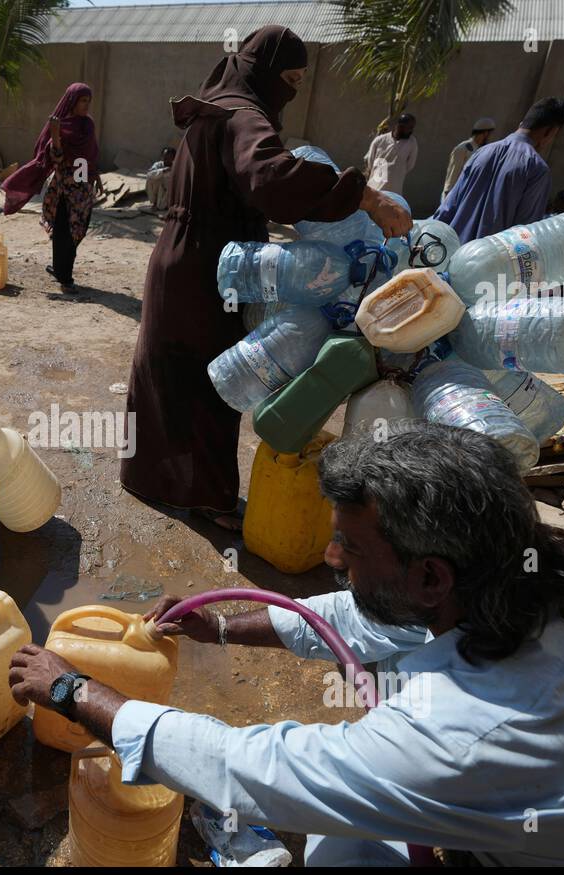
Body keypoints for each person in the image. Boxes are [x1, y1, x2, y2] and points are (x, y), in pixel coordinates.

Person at [11, 422, 564, 866]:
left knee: (340, 846)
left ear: (429, 576)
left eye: (349, 545)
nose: (330, 556)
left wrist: (76, 691)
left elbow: (249, 770)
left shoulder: (465, 736)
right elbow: (367, 618)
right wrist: (226, 624)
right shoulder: (545, 590)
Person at [118, 27, 410, 529]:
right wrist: (364, 197)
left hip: (179, 255)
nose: (292, 92)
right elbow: (272, 179)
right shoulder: (244, 116)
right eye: (289, 80)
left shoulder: (215, 108)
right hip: (213, 264)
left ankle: (150, 477)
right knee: (216, 378)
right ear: (262, 72)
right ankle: (208, 498)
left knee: (167, 369)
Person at [1, 82, 100, 293]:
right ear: (72, 101)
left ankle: (60, 269)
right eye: (83, 101)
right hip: (65, 188)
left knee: (77, 230)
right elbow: (55, 157)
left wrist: (96, 175)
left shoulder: (88, 125)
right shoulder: (61, 125)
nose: (86, 105)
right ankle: (64, 275)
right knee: (65, 230)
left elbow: (91, 154)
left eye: (88, 101)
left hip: (83, 188)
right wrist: (55, 135)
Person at [434, 97, 564, 245]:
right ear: (550, 132)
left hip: (450, 255)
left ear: (522, 124)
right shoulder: (537, 170)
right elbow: (525, 236)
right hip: (490, 264)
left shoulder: (481, 152)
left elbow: (446, 210)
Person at [440, 117, 495, 201]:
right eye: (489, 133)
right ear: (485, 133)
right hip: (454, 194)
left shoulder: (483, 150)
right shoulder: (463, 148)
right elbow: (454, 171)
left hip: (468, 194)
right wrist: (448, 193)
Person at [363, 113, 417, 194]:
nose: (411, 130)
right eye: (409, 127)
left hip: (394, 191)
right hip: (375, 187)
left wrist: (396, 171)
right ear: (400, 126)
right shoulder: (379, 141)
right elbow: (370, 162)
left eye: (412, 128)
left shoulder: (412, 143)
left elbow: (410, 165)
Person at [145, 146, 176, 212]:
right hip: (158, 188)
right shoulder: (158, 164)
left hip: (168, 191)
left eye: (169, 157)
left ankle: (166, 204)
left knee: (162, 206)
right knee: (150, 178)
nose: (166, 158)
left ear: (173, 158)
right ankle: (155, 203)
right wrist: (163, 171)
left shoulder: (176, 166)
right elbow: (150, 174)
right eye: (164, 156)